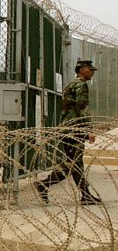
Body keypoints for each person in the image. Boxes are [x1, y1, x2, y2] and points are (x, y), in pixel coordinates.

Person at [34, 60, 101, 205]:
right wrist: (88, 130)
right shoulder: (81, 85)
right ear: (82, 70)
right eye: (90, 69)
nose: (92, 72)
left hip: (68, 128)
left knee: (75, 164)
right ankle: (44, 184)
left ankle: (85, 194)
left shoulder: (70, 85)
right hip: (74, 129)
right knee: (72, 164)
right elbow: (82, 108)